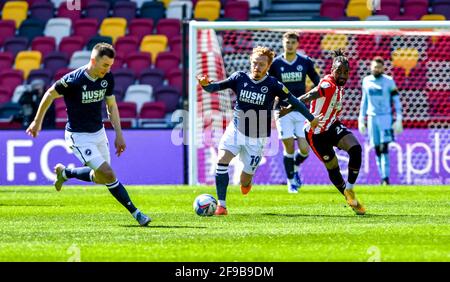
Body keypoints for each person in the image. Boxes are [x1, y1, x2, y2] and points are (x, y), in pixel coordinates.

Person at [25, 43, 151, 226]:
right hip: (78, 136)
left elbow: (111, 106)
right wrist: (37, 121)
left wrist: (119, 134)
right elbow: (49, 94)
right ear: (93, 60)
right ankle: (137, 213)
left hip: (98, 133)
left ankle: (66, 173)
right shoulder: (73, 80)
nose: (108, 69)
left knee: (100, 177)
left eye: (110, 65)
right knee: (108, 174)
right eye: (105, 65)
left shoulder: (107, 78)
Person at [197, 46, 321, 216]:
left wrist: (311, 117)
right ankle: (222, 205)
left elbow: (294, 101)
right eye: (255, 63)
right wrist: (205, 85)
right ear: (250, 62)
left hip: (257, 139)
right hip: (235, 130)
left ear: (268, 66)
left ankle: (247, 183)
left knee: (244, 180)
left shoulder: (273, 84)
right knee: (222, 161)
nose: (257, 67)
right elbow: (214, 88)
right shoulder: (239, 78)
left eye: (261, 64)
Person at [280, 49, 366, 215]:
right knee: (333, 168)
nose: (342, 75)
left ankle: (350, 189)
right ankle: (350, 199)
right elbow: (308, 96)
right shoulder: (328, 84)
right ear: (331, 70)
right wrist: (289, 108)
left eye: (346, 72)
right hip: (316, 133)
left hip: (332, 126)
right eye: (339, 71)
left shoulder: (339, 86)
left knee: (356, 149)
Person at [269, 31, 320, 193]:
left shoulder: (305, 62)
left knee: (305, 149)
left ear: (297, 44)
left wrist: (312, 96)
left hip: (301, 109)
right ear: (283, 43)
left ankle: (296, 165)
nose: (289, 44)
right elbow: (269, 85)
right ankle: (291, 182)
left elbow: (318, 82)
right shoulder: (275, 64)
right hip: (283, 109)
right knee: (289, 147)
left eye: (292, 42)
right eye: (287, 42)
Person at [358, 56, 403, 186]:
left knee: (384, 147)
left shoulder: (389, 81)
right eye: (374, 67)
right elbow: (364, 101)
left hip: (385, 117)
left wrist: (399, 118)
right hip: (372, 118)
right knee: (377, 148)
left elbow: (396, 100)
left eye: (379, 67)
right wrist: (361, 119)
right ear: (371, 67)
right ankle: (382, 177)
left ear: (383, 68)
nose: (376, 69)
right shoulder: (366, 81)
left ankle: (385, 178)